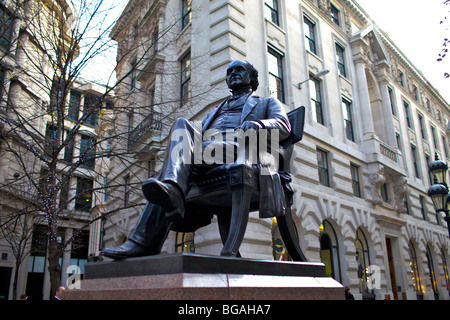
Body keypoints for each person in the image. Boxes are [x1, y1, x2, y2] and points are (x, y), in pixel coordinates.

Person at [103, 60, 291, 259]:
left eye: (239, 70)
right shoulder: (215, 111)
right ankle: (171, 193)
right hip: (210, 155)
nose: (233, 73)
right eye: (229, 71)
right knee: (181, 126)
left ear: (252, 78)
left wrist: (259, 125)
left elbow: (283, 126)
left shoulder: (266, 102)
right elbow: (193, 136)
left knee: (176, 168)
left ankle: (146, 239)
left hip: (243, 151)